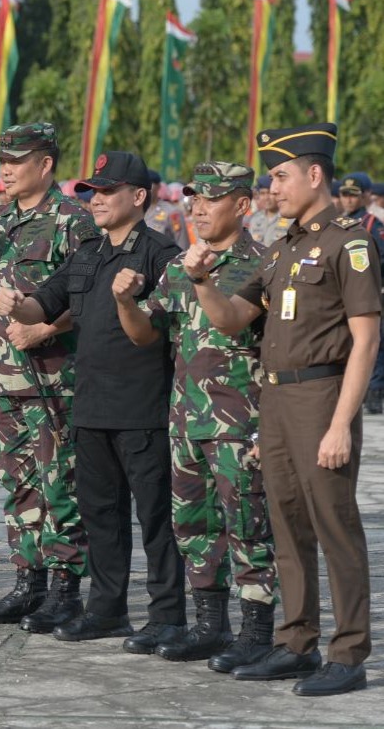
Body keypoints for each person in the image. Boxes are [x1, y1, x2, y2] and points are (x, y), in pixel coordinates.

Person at [184, 123, 377, 697]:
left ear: (314, 174)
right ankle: (295, 642)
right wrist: (199, 280)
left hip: (322, 398)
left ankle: (348, 652)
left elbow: (366, 340)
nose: (273, 187)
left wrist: (342, 423)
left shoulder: (350, 244)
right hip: (275, 401)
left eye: (280, 175)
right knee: (288, 528)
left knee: (334, 527)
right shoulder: (281, 248)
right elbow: (229, 319)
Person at [0, 151, 187, 653]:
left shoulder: (160, 255)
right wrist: (21, 305)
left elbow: (159, 331)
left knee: (156, 519)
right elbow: (48, 298)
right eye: (93, 192)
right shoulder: (89, 253)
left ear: (138, 197)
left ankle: (168, 615)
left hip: (143, 408)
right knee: (100, 514)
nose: (96, 200)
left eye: (107, 192)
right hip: (91, 405)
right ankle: (107, 609)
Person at [113, 162, 277, 668]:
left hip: (239, 424)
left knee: (248, 525)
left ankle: (257, 631)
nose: (199, 208)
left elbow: (253, 340)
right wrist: (124, 301)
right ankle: (210, 626)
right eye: (194, 199)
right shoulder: (180, 265)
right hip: (186, 421)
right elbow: (146, 333)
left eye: (212, 198)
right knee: (194, 525)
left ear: (243, 206)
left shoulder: (263, 264)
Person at [0, 123, 96, 631]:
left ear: (45, 164)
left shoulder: (73, 220)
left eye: (17, 159)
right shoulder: (0, 219)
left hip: (54, 379)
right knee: (17, 482)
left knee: (60, 485)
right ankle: (28, 581)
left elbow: (87, 294)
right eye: (2, 159)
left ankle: (65, 588)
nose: (5, 168)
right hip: (7, 381)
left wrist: (47, 327)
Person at [336, 172, 384, 415]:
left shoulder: (372, 225)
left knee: (373, 343)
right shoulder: (337, 223)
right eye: (344, 195)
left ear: (365, 196)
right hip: (344, 295)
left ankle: (374, 394)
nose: (348, 200)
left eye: (353, 195)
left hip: (371, 293)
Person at [146, 170, 190, 249]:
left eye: (149, 184)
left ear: (158, 186)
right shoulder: (134, 211)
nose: (145, 188)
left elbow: (182, 244)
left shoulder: (172, 212)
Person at [247, 175, 292, 245]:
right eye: (262, 193)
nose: (266, 197)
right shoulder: (255, 219)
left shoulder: (290, 219)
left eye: (270, 193)